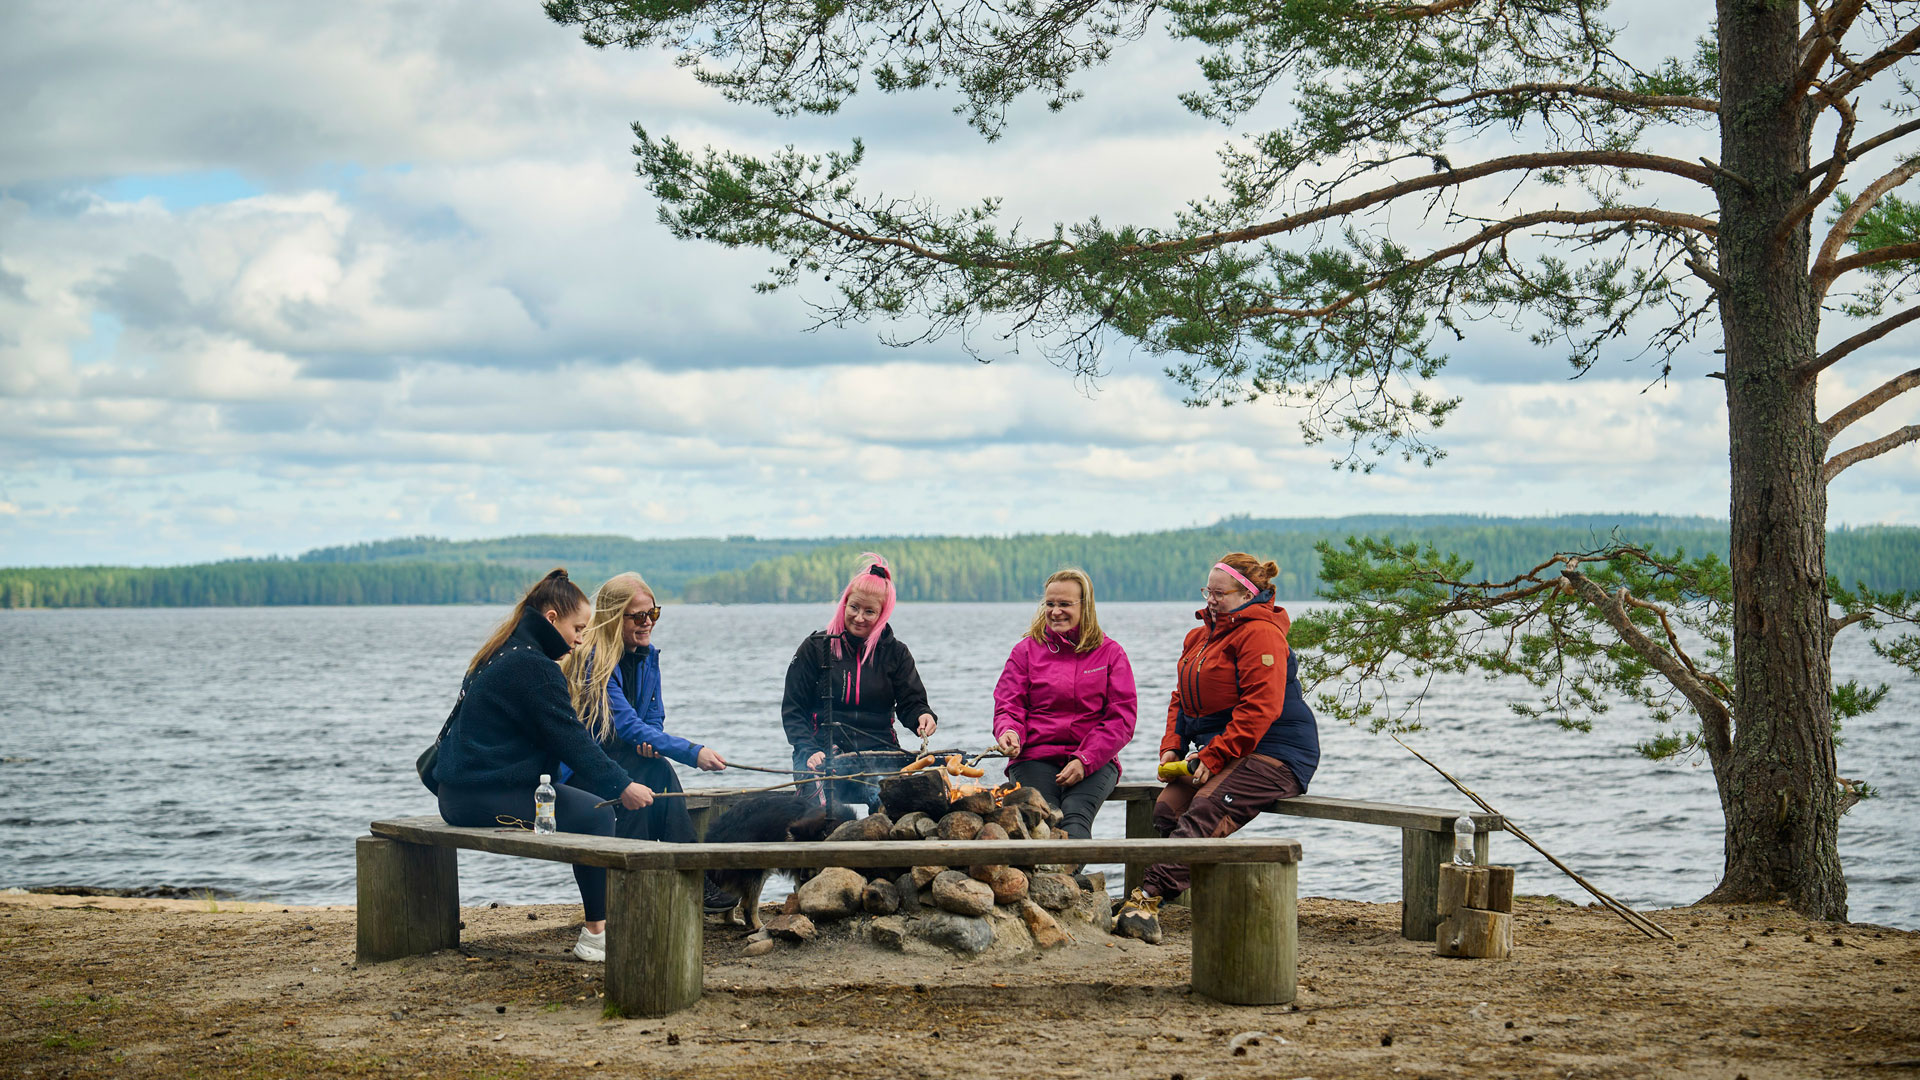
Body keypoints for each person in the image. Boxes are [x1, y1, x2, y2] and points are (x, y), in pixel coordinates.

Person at [433, 569, 655, 963]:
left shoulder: (500, 649)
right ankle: (596, 936)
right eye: (578, 628)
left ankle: (604, 922)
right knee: (597, 816)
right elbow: (570, 739)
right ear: (552, 618)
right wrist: (623, 786)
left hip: (460, 793)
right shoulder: (534, 666)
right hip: (480, 797)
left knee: (590, 805)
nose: (581, 638)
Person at [1113, 552, 1320, 943]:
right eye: (1208, 590)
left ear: (1247, 594)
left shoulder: (1261, 634)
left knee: (1206, 810)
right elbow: (1182, 697)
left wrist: (1213, 755)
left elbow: (1261, 708)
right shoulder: (1199, 636)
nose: (1211, 598)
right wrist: (1173, 747)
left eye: (1220, 593)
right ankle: (1197, 897)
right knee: (1166, 808)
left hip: (1278, 753)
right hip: (1226, 750)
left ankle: (1146, 900)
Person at [562, 572, 738, 913]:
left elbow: (652, 717)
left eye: (653, 614)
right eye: (639, 616)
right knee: (653, 775)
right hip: (585, 770)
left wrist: (652, 741)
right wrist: (693, 753)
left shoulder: (646, 655)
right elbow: (627, 724)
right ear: (615, 617)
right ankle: (684, 879)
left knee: (651, 771)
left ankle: (649, 891)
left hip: (626, 762)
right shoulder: (594, 660)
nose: (648, 623)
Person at [780, 552, 937, 806]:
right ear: (844, 604)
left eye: (869, 612)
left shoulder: (896, 653)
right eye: (854, 608)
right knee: (818, 809)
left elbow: (912, 703)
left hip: (880, 752)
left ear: (882, 614)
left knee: (890, 802)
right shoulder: (814, 647)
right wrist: (808, 749)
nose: (859, 617)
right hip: (821, 751)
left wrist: (922, 716)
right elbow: (793, 709)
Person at [991, 567, 1137, 839]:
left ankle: (1070, 883)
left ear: (1085, 607)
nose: (1055, 611)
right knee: (1045, 819)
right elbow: (1009, 704)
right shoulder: (1025, 651)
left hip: (1094, 760)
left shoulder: (1111, 653)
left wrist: (1085, 759)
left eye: (1064, 604)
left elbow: (1121, 719)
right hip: (1035, 755)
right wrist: (1009, 732)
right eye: (1050, 604)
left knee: (1074, 817)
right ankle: (1062, 881)